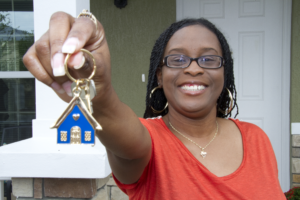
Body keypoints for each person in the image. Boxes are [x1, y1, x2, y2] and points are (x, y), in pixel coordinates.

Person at [23, 12, 285, 199]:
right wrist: (99, 95)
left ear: (224, 74)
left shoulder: (256, 138)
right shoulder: (147, 142)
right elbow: (119, 130)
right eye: (178, 58)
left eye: (208, 59)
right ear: (159, 75)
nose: (193, 68)